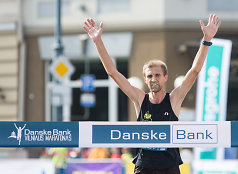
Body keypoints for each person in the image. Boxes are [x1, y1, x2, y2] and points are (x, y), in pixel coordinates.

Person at [83, 14, 221, 174]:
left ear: (165, 78)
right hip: (144, 166)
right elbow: (112, 72)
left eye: (157, 75)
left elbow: (195, 70)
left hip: (169, 166)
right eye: (149, 76)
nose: (153, 79)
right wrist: (97, 41)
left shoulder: (174, 99)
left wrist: (206, 40)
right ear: (145, 79)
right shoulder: (139, 98)